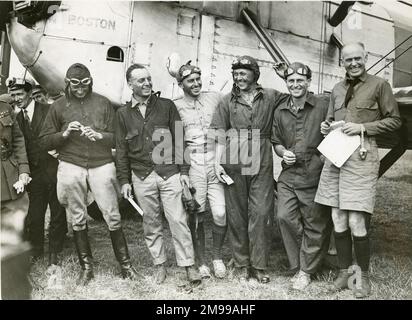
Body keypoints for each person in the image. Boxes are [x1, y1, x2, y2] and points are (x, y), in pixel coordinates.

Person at [315, 42, 402, 298]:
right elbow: (331, 120)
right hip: (335, 156)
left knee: (355, 220)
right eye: (348, 59)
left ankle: (361, 278)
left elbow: (395, 121)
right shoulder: (337, 88)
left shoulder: (379, 85)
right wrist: (326, 126)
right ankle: (344, 273)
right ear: (342, 62)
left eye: (357, 58)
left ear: (366, 57)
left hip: (361, 156)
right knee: (338, 218)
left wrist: (363, 128)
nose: (353, 63)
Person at [39, 63, 138, 285]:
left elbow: (117, 137)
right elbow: (44, 140)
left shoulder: (103, 103)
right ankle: (87, 268)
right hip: (71, 163)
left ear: (91, 80)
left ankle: (126, 266)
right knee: (77, 215)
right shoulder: (58, 106)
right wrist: (64, 134)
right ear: (67, 84)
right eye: (75, 84)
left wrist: (99, 136)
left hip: (101, 163)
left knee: (112, 214)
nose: (81, 88)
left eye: (85, 83)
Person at [115, 63, 201, 285]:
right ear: (130, 84)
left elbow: (180, 139)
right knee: (150, 222)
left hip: (169, 173)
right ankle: (159, 265)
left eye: (149, 79)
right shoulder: (123, 114)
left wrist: (183, 171)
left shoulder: (166, 106)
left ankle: (188, 266)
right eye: (141, 80)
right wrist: (124, 181)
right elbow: (121, 151)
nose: (147, 83)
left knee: (178, 220)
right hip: (141, 177)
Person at [210, 55, 287, 283]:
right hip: (234, 155)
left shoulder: (272, 96)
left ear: (254, 74)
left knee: (262, 211)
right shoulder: (226, 101)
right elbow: (218, 133)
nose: (239, 77)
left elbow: (296, 97)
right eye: (236, 73)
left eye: (243, 73)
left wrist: (286, 76)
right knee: (236, 212)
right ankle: (242, 263)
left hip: (261, 154)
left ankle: (259, 265)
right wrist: (217, 162)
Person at [271, 62, 332, 290]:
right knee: (284, 217)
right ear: (286, 83)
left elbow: (336, 125)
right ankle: (301, 262)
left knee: (315, 223)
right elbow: (276, 141)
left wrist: (330, 128)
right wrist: (282, 152)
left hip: (314, 173)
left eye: (300, 80)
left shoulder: (323, 105)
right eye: (291, 81)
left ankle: (306, 271)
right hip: (289, 175)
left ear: (308, 81)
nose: (295, 85)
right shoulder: (280, 110)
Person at [173, 62, 227, 279]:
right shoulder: (175, 106)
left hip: (216, 158)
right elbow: (176, 139)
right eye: (189, 81)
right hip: (194, 160)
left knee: (221, 212)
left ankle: (217, 257)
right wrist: (182, 170)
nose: (195, 84)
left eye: (197, 79)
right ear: (180, 84)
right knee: (197, 213)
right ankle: (202, 261)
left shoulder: (214, 97)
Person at [9, 79, 67, 265]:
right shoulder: (16, 118)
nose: (16, 99)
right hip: (34, 174)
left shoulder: (49, 109)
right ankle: (36, 250)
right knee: (35, 213)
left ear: (29, 93)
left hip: (55, 168)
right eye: (13, 95)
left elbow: (63, 131)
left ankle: (56, 250)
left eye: (19, 94)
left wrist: (61, 153)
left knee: (58, 211)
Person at [1, 94, 32, 299]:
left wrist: (23, 170)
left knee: (12, 234)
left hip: (9, 178)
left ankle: (14, 282)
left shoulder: (4, 106)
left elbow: (18, 139)